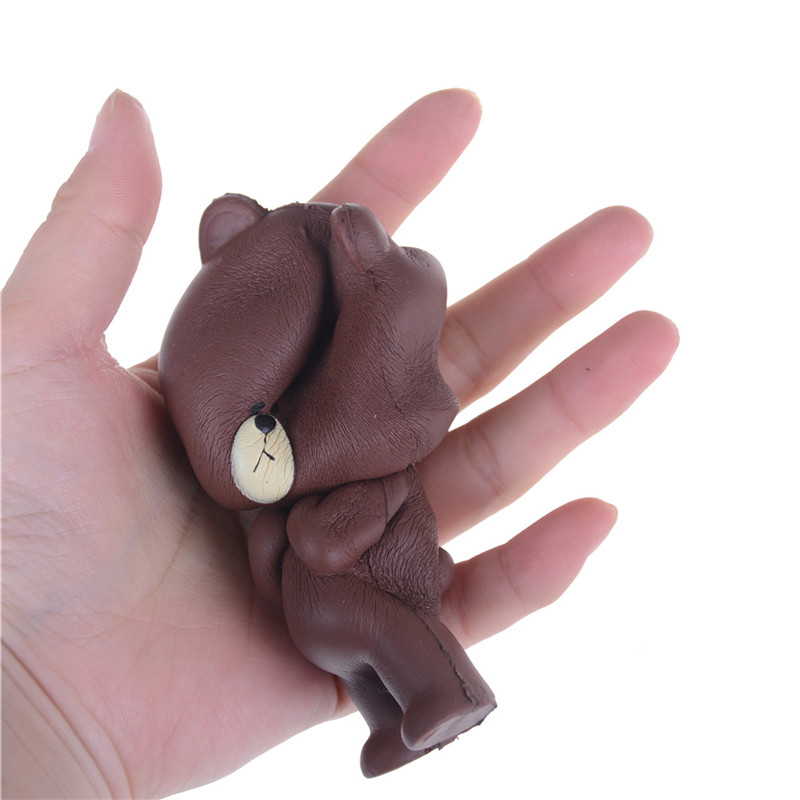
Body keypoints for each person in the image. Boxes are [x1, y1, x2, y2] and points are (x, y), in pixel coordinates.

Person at [1, 88, 678, 798]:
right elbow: (279, 536)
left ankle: (450, 691)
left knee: (387, 635)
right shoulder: (269, 457)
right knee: (360, 656)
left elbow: (340, 535)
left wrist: (316, 539)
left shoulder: (370, 476)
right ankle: (387, 719)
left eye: (262, 425)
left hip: (375, 590)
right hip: (327, 624)